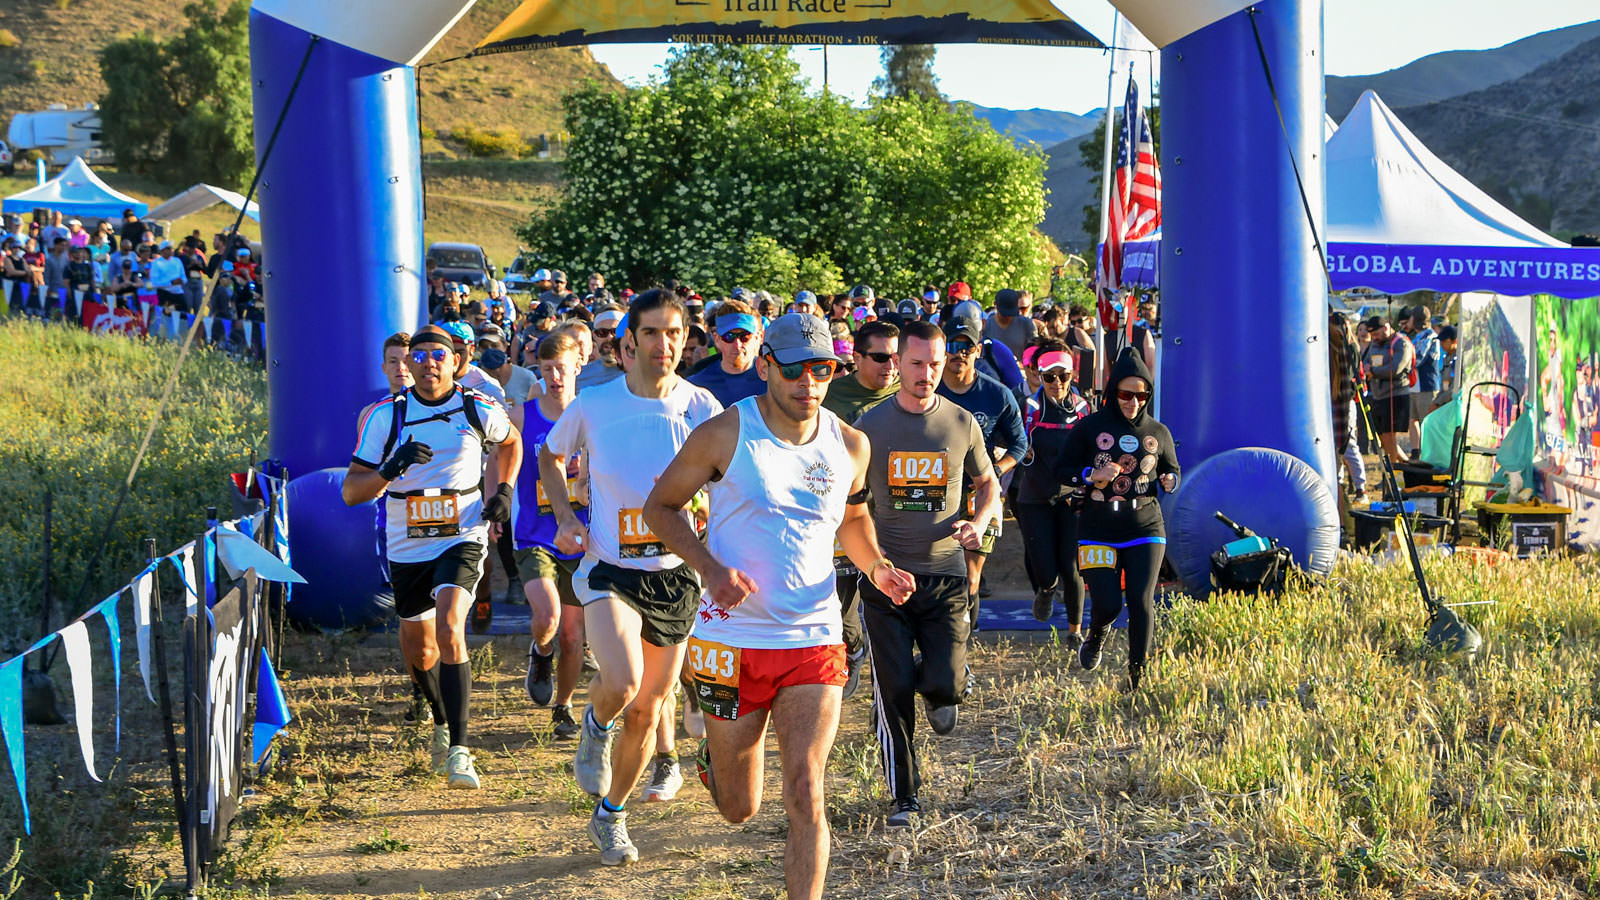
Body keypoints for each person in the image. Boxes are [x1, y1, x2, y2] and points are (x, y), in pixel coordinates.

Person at [643, 313, 913, 900]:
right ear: (766, 367)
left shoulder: (850, 444)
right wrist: (710, 568)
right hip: (728, 640)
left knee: (807, 791)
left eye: (822, 370)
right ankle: (718, 764)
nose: (808, 384)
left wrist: (878, 568)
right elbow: (660, 508)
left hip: (813, 638)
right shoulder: (723, 434)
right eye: (794, 371)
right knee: (739, 808)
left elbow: (854, 519)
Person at [540, 290, 722, 865]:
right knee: (620, 684)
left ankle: (610, 815)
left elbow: (729, 478)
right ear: (627, 345)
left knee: (649, 708)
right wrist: (566, 517)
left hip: (676, 575)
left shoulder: (703, 407)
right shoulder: (594, 405)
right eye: (651, 333)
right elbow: (549, 455)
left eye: (674, 333)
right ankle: (594, 726)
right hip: (610, 570)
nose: (664, 344)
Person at [342, 325, 522, 788]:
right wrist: (390, 468)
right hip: (407, 540)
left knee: (449, 626)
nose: (426, 364)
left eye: (437, 355)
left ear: (456, 359)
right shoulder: (386, 417)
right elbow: (351, 493)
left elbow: (512, 442)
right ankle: (440, 721)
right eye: (417, 356)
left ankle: (462, 752)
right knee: (420, 649)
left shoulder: (477, 407)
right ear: (407, 363)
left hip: (462, 532)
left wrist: (503, 490)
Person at [853, 320, 999, 828]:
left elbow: (988, 485)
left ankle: (943, 687)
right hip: (886, 579)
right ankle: (905, 797)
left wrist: (979, 522)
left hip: (945, 577)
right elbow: (849, 504)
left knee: (945, 685)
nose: (927, 373)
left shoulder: (961, 423)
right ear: (899, 364)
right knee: (892, 691)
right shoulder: (870, 426)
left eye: (936, 364)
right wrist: (868, 560)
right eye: (916, 364)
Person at [1058, 347, 1179, 692]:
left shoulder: (1158, 431)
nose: (1133, 402)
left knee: (1141, 601)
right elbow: (1062, 470)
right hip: (1097, 527)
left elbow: (1172, 467)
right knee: (1108, 603)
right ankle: (1096, 634)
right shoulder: (1089, 428)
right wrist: (1090, 474)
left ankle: (1136, 677)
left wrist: (1171, 480)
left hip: (1145, 526)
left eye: (1141, 395)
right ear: (1113, 393)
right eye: (1126, 394)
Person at [509, 332, 590, 737]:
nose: (555, 376)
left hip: (582, 536)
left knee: (575, 636)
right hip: (535, 533)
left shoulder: (593, 414)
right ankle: (541, 652)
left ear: (579, 366)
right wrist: (495, 500)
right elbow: (500, 460)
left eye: (562, 368)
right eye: (546, 370)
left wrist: (584, 475)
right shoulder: (522, 416)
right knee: (549, 616)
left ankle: (564, 706)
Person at [937, 316, 1027, 636]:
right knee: (936, 572)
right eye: (952, 345)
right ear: (942, 348)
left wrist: (994, 471)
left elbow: (1020, 443)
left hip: (979, 494)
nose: (958, 353)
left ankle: (963, 639)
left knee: (970, 575)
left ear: (978, 352)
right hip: (933, 491)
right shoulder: (926, 388)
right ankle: (944, 638)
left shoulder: (997, 395)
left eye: (967, 347)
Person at [1013, 341, 1091, 635]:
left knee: (1071, 568)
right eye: (1049, 377)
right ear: (1038, 375)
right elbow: (1009, 441)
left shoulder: (1083, 408)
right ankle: (1045, 589)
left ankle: (1075, 630)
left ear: (1072, 376)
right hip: (1034, 497)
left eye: (1063, 376)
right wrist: (1021, 452)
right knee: (1045, 568)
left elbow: (1096, 445)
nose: (1057, 383)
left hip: (1072, 498)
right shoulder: (1028, 408)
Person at [689, 299, 765, 406]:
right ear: (716, 339)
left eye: (744, 337)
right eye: (729, 337)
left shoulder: (774, 381)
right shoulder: (697, 385)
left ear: (759, 337)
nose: (737, 344)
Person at [1361, 315, 1415, 464]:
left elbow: (1396, 368)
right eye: (1372, 335)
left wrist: (1373, 371)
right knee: (1383, 437)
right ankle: (1405, 465)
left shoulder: (1401, 343)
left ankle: (1391, 474)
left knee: (1389, 436)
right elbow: (1366, 362)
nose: (1374, 338)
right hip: (1379, 397)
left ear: (1386, 328)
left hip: (1396, 396)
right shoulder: (1375, 344)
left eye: (1377, 334)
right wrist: (1368, 369)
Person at [1408, 306, 1442, 449]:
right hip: (1414, 387)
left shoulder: (1430, 336)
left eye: (1410, 317)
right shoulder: (1417, 337)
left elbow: (1418, 358)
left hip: (1426, 387)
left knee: (1425, 421)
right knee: (1412, 420)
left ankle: (1429, 452)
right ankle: (1416, 451)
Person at [577, 306, 626, 390]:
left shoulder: (645, 371)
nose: (610, 337)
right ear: (594, 336)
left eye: (615, 331)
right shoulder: (579, 377)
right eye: (602, 332)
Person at [983, 289, 1036, 358]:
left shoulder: (1026, 324)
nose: (1007, 317)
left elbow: (1033, 350)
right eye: (1004, 314)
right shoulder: (987, 325)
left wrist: (1022, 364)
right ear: (995, 305)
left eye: (1011, 314)